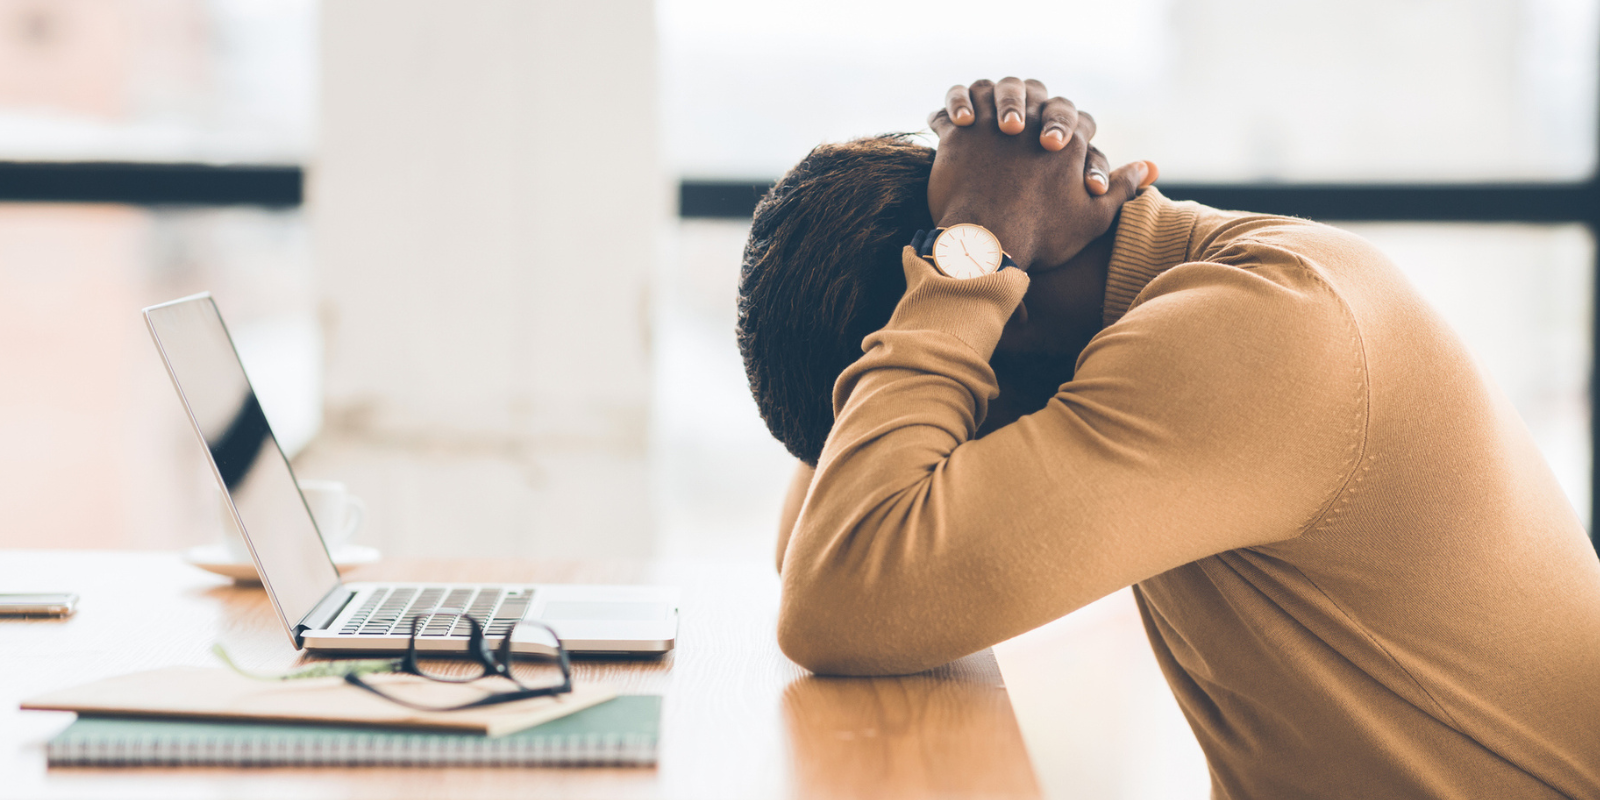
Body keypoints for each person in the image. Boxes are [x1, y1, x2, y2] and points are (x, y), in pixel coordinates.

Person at [735, 77, 1600, 798]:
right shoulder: (1166, 305)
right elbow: (813, 549)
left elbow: (840, 594)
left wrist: (971, 252)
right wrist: (974, 237)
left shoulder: (1253, 331)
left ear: (1006, 312)